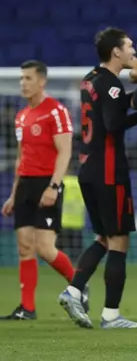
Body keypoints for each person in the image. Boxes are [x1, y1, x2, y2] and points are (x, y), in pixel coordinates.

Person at [58, 28, 137, 329]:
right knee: (119, 240)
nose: (132, 49)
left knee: (103, 238)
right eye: (129, 45)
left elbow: (115, 104)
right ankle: (110, 315)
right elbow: (114, 122)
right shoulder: (110, 83)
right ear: (116, 52)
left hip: (88, 169)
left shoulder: (91, 78)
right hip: (109, 171)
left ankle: (73, 290)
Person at [0, 60, 76, 320]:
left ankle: (78, 285)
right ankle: (27, 308)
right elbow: (21, 158)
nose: (23, 83)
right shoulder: (21, 117)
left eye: (28, 78)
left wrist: (54, 186)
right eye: (21, 78)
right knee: (24, 247)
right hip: (26, 185)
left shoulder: (56, 110)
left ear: (41, 81)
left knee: (44, 247)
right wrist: (13, 194)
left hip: (48, 182)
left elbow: (65, 151)